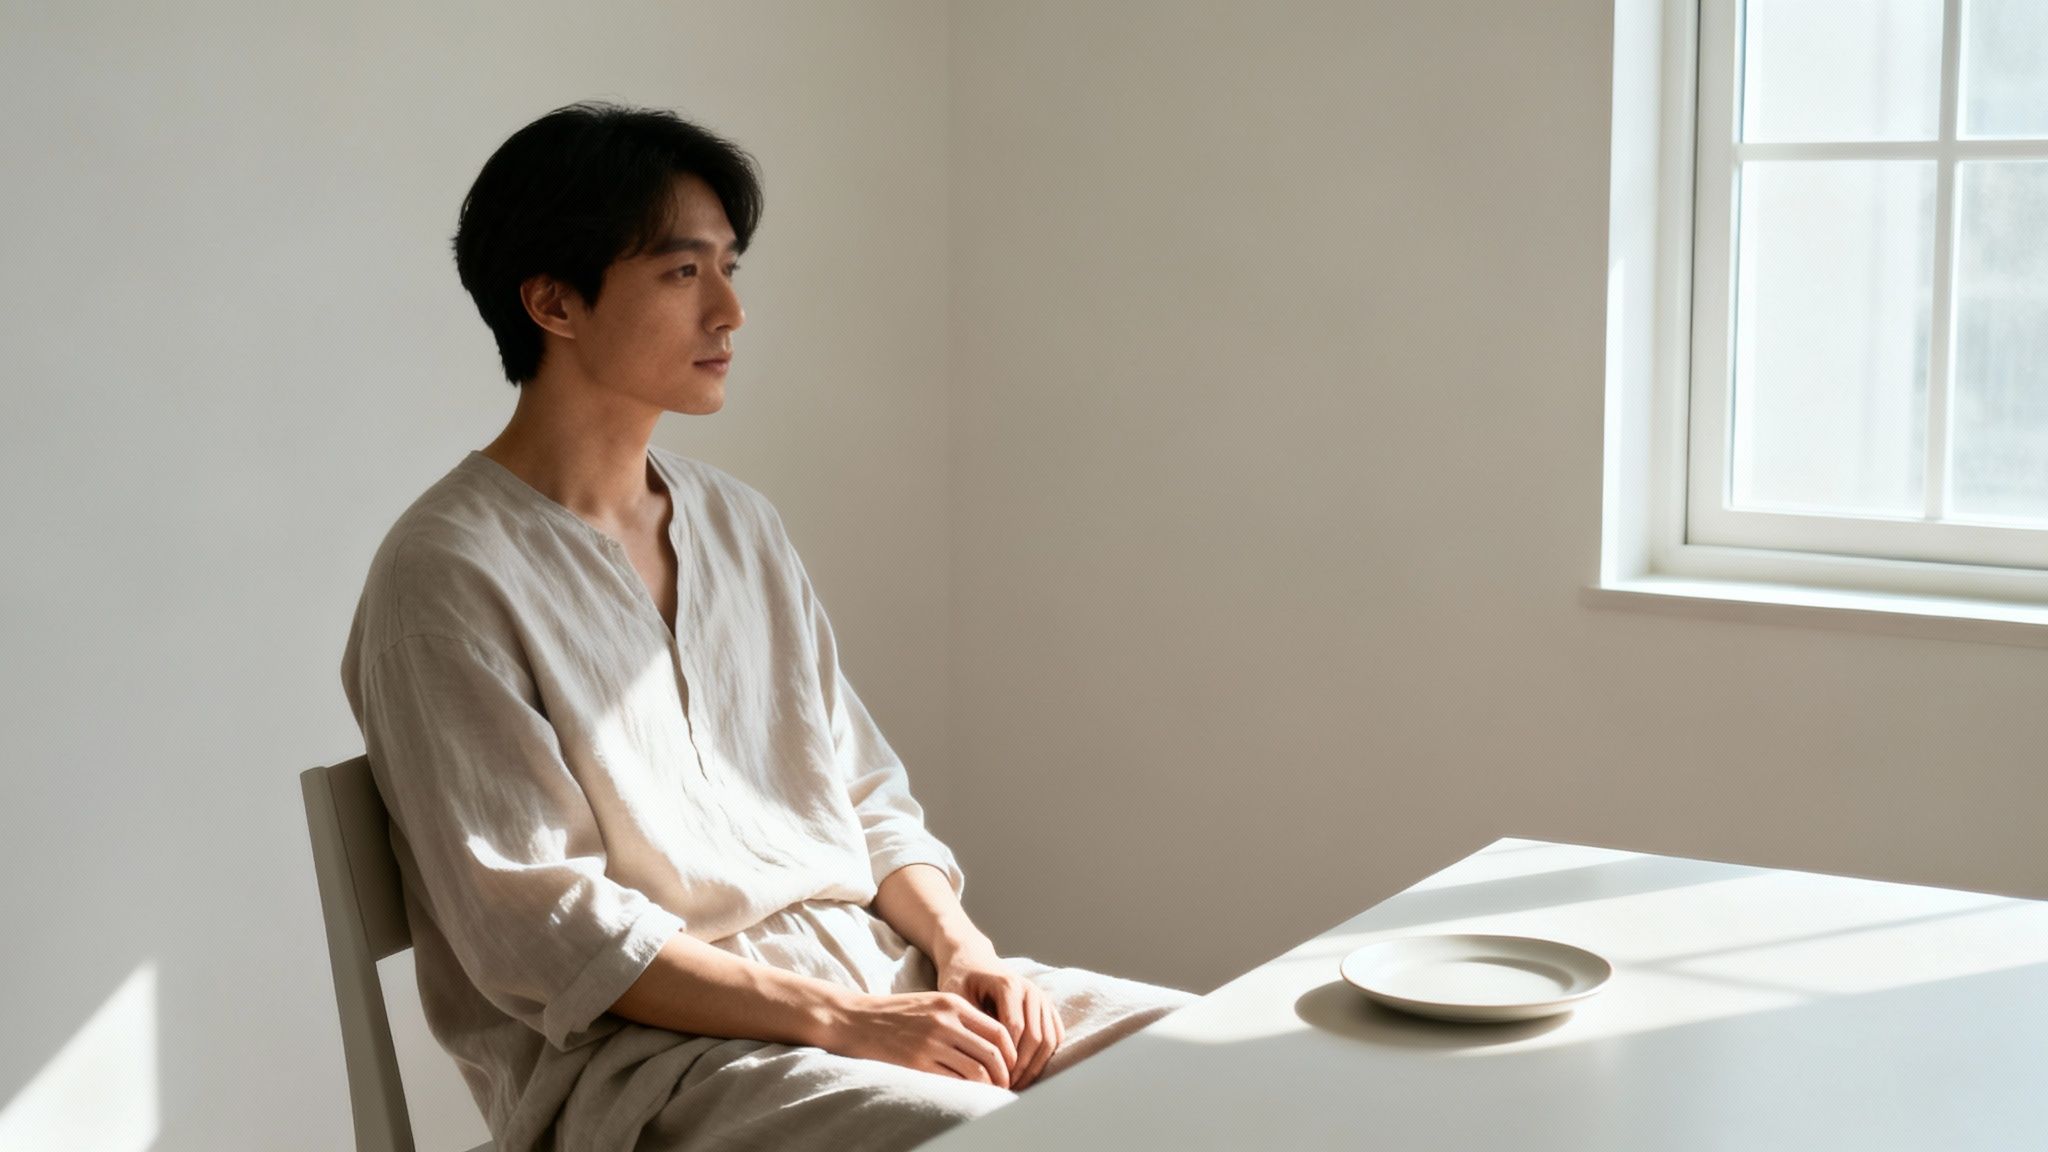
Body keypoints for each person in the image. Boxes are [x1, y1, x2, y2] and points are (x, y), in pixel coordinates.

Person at [338, 101, 1195, 1152]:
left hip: (882, 979)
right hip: (652, 1063)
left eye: (730, 267)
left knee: (1211, 1056)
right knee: (986, 1135)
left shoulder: (738, 525)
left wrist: (965, 950)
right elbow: (552, 934)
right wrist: (847, 1024)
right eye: (681, 272)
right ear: (554, 303)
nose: (730, 312)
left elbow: (867, 797)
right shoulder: (446, 576)